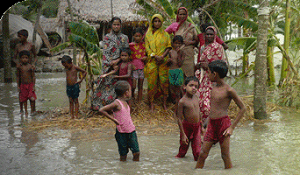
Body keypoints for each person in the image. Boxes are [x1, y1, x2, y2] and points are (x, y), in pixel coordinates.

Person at [195, 60, 246, 169]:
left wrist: (232, 127)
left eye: (208, 72)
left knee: (225, 156)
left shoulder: (229, 90)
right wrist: (206, 122)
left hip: (223, 124)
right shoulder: (213, 88)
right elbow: (213, 108)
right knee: (203, 154)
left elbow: (243, 108)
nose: (207, 75)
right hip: (212, 125)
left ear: (215, 74)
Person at [92, 17, 129, 110]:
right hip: (108, 66)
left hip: (120, 65)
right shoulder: (107, 37)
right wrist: (111, 64)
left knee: (119, 86)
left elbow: (127, 52)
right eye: (114, 24)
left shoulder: (124, 38)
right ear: (111, 25)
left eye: (118, 24)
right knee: (106, 85)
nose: (116, 26)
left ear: (120, 26)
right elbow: (105, 53)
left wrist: (118, 61)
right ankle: (103, 107)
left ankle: (118, 107)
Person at [99, 81, 140, 161]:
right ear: (127, 93)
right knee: (123, 155)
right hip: (121, 133)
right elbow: (101, 110)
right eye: (130, 90)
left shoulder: (125, 102)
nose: (131, 92)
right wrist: (113, 119)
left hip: (131, 131)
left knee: (136, 153)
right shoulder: (117, 103)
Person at [195, 26, 226, 124]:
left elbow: (221, 64)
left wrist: (208, 66)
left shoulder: (218, 47)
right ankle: (202, 124)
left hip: (213, 77)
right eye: (207, 34)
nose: (209, 36)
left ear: (214, 35)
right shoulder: (203, 47)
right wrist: (199, 65)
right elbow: (201, 60)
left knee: (208, 103)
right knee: (199, 100)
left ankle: (210, 123)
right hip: (202, 76)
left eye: (211, 34)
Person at [145, 14, 172, 112]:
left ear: (161, 22)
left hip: (163, 61)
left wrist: (162, 57)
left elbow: (169, 47)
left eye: (159, 21)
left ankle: (164, 103)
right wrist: (154, 55)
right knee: (151, 83)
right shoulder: (148, 35)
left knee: (164, 82)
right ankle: (151, 103)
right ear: (152, 22)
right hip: (152, 61)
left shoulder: (165, 34)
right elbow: (147, 48)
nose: (157, 23)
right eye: (155, 21)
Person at [165, 7, 198, 77]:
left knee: (189, 77)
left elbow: (196, 40)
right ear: (177, 15)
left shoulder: (191, 26)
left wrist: (189, 43)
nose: (182, 16)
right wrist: (171, 44)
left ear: (186, 15)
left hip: (188, 55)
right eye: (180, 14)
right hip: (177, 54)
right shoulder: (174, 25)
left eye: (184, 14)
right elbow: (164, 34)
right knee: (178, 77)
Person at [176, 76, 201, 161]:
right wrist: (183, 134)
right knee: (182, 152)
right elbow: (179, 118)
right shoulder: (182, 101)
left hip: (197, 127)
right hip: (186, 128)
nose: (193, 88)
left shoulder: (197, 96)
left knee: (198, 153)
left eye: (196, 86)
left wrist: (202, 128)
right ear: (184, 87)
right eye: (191, 85)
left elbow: (199, 112)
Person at [129, 28, 147, 102]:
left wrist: (146, 57)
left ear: (142, 36)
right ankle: (132, 97)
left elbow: (148, 55)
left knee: (140, 86)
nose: (138, 38)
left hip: (142, 67)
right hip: (133, 68)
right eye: (136, 36)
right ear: (133, 36)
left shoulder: (144, 45)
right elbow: (127, 56)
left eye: (139, 36)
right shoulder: (130, 45)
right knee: (133, 86)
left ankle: (139, 101)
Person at [17, 50, 37, 116]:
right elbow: (18, 77)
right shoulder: (19, 67)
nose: (24, 59)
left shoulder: (30, 67)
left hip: (30, 84)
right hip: (23, 85)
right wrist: (18, 86)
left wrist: (34, 86)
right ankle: (25, 111)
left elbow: (33, 76)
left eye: (26, 58)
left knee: (32, 98)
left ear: (28, 59)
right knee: (24, 99)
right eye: (23, 58)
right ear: (20, 59)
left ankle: (32, 111)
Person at [167, 35, 185, 107]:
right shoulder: (170, 52)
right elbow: (167, 64)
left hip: (178, 71)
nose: (177, 45)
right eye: (176, 43)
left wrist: (178, 54)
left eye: (179, 43)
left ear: (182, 44)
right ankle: (174, 102)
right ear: (172, 43)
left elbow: (180, 64)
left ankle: (180, 103)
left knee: (179, 88)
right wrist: (168, 61)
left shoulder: (182, 52)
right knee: (171, 88)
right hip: (171, 71)